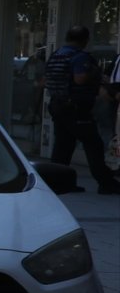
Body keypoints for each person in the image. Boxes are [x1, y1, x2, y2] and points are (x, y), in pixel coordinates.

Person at [44, 25, 120, 194]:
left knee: (63, 146)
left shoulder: (57, 55)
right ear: (85, 40)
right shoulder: (79, 57)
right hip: (76, 108)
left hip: (58, 105)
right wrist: (97, 76)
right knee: (94, 145)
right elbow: (79, 79)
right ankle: (106, 182)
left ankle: (56, 183)